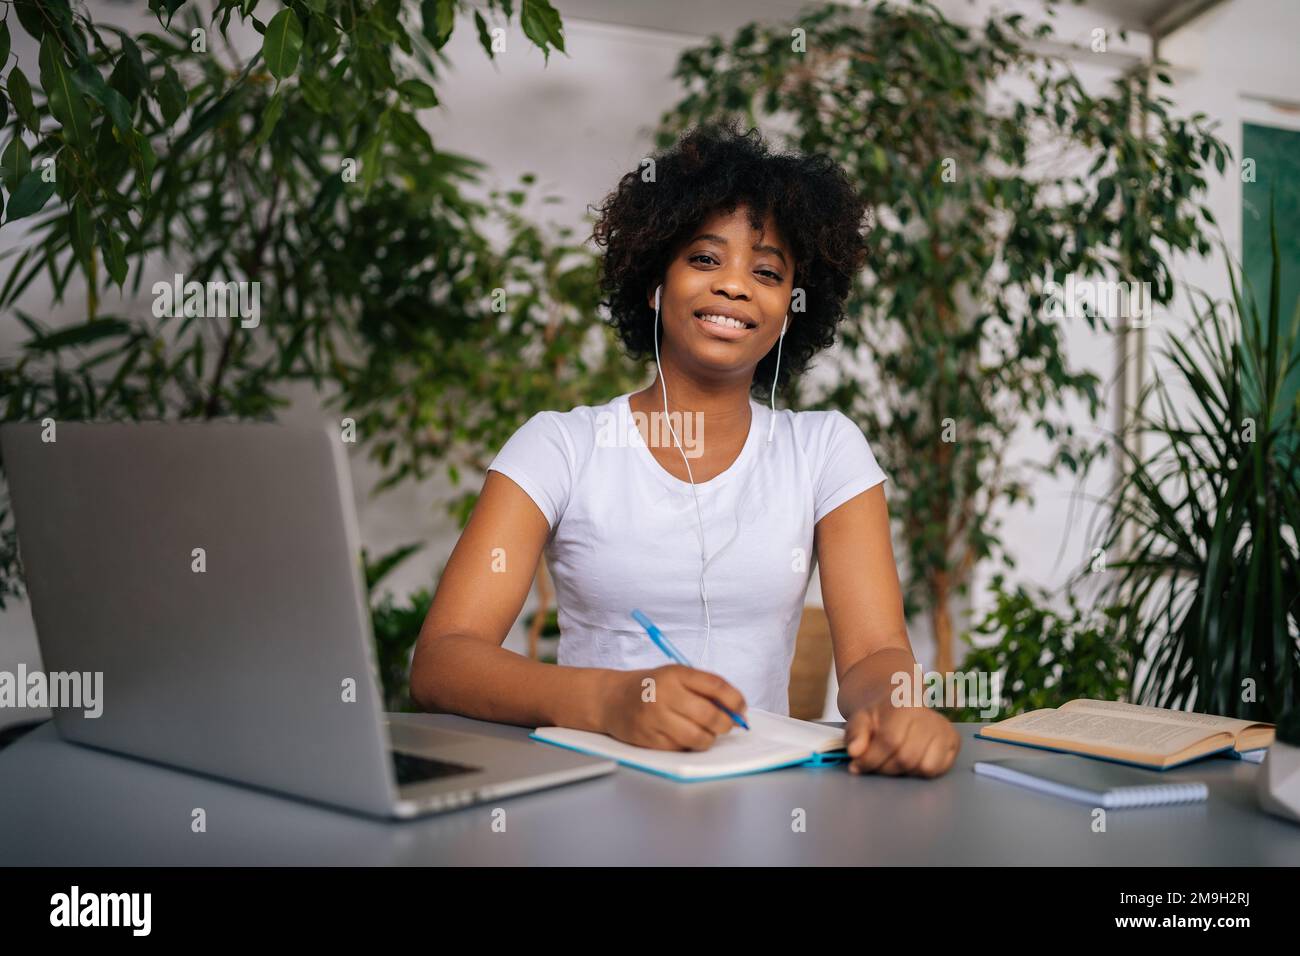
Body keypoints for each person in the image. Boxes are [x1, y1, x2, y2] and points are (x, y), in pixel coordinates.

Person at [410, 121, 960, 778]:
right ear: (653, 283)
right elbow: (443, 658)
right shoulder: (559, 446)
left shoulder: (826, 451)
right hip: (590, 796)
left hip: (762, 803)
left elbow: (873, 654)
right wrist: (611, 700)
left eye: (767, 271)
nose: (734, 285)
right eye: (704, 259)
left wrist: (897, 706)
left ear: (791, 309)